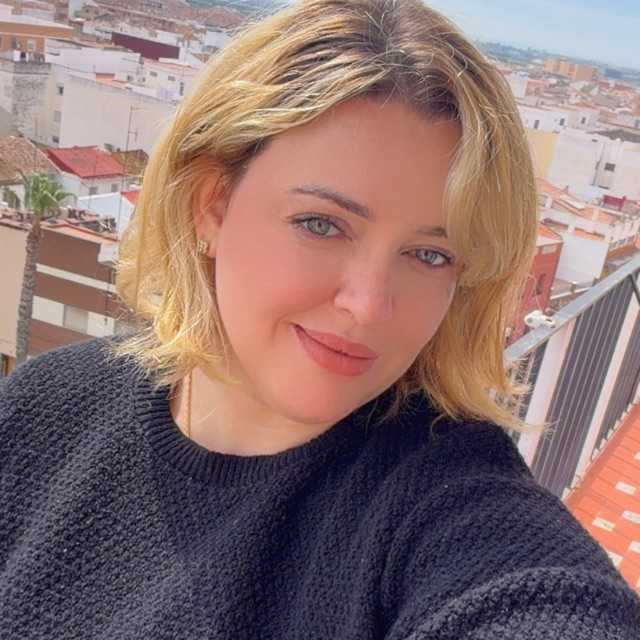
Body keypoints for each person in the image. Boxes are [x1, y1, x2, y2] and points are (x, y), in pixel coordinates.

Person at [1, 0, 639, 637]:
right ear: (211, 205)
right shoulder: (45, 404)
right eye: (321, 224)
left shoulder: (449, 508)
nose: (369, 305)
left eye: (429, 255)